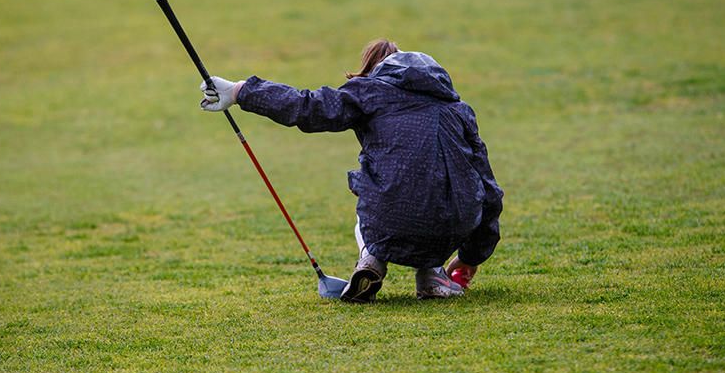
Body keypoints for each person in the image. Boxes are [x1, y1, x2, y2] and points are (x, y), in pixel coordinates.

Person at [198, 40, 503, 302]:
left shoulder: (371, 92)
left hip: (391, 217)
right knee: (437, 191)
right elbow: (489, 192)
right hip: (453, 224)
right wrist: (469, 258)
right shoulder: (460, 109)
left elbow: (307, 107)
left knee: (374, 181)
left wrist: (241, 91)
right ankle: (431, 276)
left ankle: (371, 261)